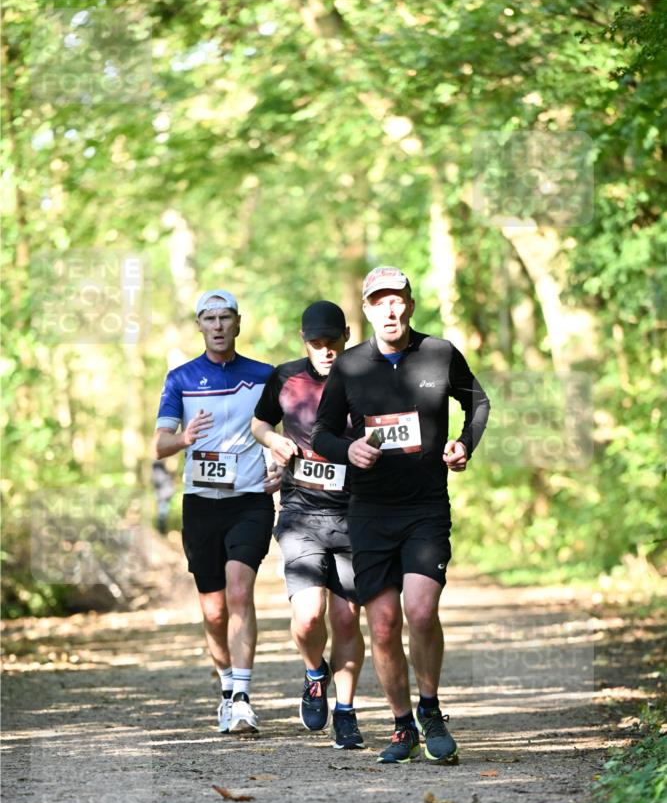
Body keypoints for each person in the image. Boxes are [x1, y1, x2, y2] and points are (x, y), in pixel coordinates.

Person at [312, 266, 490, 765]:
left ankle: (431, 709)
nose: (389, 309)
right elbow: (323, 432)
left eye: (397, 300)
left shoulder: (439, 353)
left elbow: (478, 402)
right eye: (379, 301)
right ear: (366, 309)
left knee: (421, 610)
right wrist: (349, 451)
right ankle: (400, 726)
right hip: (369, 510)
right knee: (385, 624)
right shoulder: (348, 367)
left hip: (425, 507)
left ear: (409, 305)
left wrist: (464, 444)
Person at [153, 289, 278, 736]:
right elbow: (160, 446)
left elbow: (294, 431)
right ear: (200, 326)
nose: (219, 325)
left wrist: (284, 466)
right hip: (201, 504)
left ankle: (244, 698)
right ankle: (227, 691)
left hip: (250, 500)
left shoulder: (266, 375)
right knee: (214, 610)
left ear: (239, 323)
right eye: (211, 318)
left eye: (226, 317)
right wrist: (186, 439)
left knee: (240, 590)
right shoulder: (180, 378)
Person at [251, 301, 366, 749]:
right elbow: (260, 422)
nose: (325, 351)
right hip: (300, 510)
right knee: (308, 617)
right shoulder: (284, 377)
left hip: (355, 512)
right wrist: (274, 440)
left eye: (332, 342)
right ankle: (315, 671)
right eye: (316, 343)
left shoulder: (364, 376)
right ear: (304, 341)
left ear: (346, 337)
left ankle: (346, 711)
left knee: (346, 617)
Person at [151, 460, 175, 535]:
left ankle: (161, 531)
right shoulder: (165, 473)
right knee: (163, 513)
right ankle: (161, 530)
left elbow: (157, 483)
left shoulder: (158, 473)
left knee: (162, 513)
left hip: (163, 495)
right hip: (166, 495)